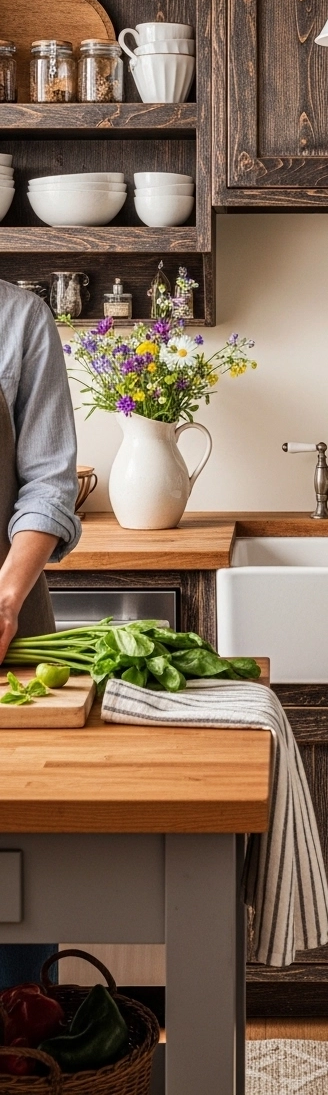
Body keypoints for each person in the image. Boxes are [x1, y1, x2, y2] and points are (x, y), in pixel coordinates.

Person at [0, 279, 81, 988]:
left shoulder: (18, 318)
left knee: (16, 865)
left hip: (8, 643)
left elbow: (50, 483)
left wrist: (4, 596)